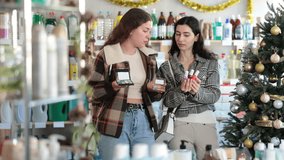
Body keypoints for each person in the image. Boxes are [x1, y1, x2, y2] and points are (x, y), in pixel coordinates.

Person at [88, 8, 165, 160]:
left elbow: (155, 97)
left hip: (143, 119)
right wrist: (112, 87)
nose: (148, 36)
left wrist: (153, 89)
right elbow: (92, 92)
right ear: (131, 29)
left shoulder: (148, 56)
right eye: (145, 30)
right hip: (113, 120)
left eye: (149, 31)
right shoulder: (107, 53)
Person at [157, 16, 221, 159]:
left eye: (186, 35)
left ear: (196, 37)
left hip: (206, 123)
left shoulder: (209, 63)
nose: (181, 39)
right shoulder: (166, 67)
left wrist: (197, 91)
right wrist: (181, 90)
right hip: (178, 125)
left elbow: (214, 95)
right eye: (178, 34)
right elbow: (166, 100)